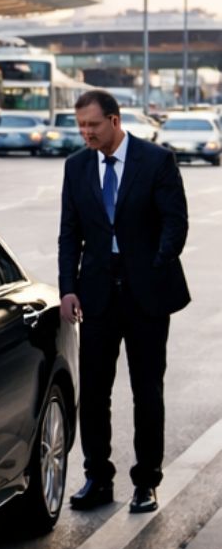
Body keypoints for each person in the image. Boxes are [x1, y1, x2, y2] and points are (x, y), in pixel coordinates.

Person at [58, 89, 190, 513]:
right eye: (81, 126)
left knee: (146, 389)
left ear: (115, 121)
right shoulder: (76, 167)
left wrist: (157, 262)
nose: (86, 133)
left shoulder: (156, 160)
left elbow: (176, 220)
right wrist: (67, 288)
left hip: (146, 292)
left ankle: (146, 481)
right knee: (94, 391)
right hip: (96, 293)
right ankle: (97, 477)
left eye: (93, 125)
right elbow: (69, 234)